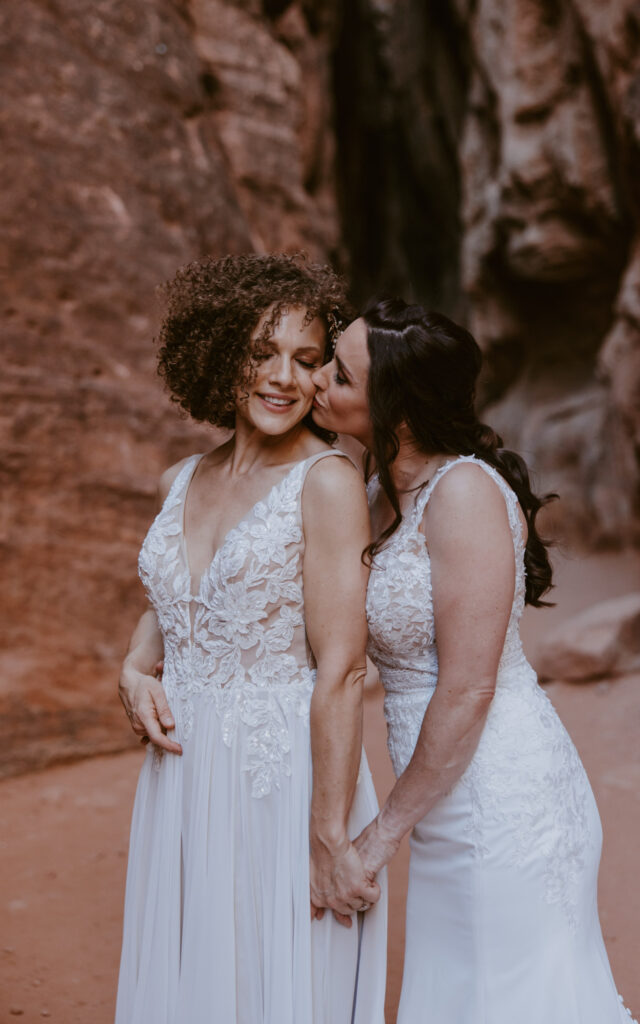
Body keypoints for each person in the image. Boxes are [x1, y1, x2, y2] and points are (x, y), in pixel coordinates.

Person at [310, 297, 638, 1024]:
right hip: (439, 797)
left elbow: (467, 688)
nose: (315, 383)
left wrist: (379, 836)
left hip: (499, 798)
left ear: (394, 409)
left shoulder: (459, 495)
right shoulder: (374, 493)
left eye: (338, 376)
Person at [115, 254, 386, 1024]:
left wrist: (330, 836)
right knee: (192, 976)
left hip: (279, 772)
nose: (283, 378)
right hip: (180, 778)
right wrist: (136, 668)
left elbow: (340, 666)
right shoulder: (181, 479)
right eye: (260, 353)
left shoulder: (326, 482)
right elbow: (178, 603)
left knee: (265, 981)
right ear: (216, 353)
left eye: (307, 361)